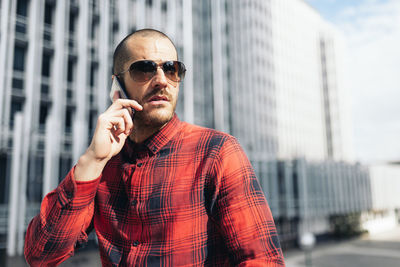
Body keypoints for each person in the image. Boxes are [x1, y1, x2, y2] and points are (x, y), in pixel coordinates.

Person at [24, 29, 285, 266]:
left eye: (171, 69)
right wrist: (92, 159)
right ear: (117, 85)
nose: (162, 80)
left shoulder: (217, 152)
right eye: (144, 69)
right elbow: (40, 254)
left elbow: (262, 260)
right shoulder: (103, 163)